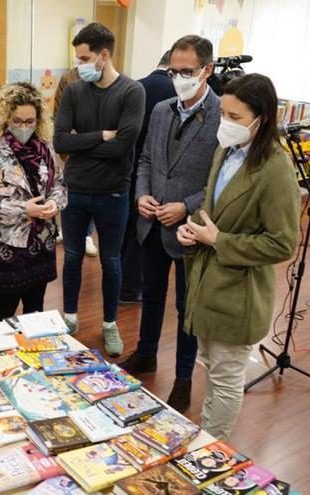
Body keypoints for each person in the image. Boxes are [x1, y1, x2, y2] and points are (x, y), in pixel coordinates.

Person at [177, 73, 300, 440]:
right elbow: (213, 206)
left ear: (261, 118)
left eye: (235, 117)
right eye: (223, 115)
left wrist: (219, 241)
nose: (225, 124)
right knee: (211, 367)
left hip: (239, 291)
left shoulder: (275, 169)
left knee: (226, 378)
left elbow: (282, 244)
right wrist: (193, 227)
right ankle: (206, 438)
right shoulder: (225, 150)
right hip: (207, 283)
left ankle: (212, 449)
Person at [119, 36, 220, 413]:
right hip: (151, 222)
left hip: (190, 229)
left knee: (186, 308)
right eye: (174, 71)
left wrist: (186, 207)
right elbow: (144, 159)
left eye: (188, 72)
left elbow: (219, 181)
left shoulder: (222, 116)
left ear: (206, 70)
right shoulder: (160, 109)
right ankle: (145, 354)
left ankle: (182, 378)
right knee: (152, 296)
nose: (179, 78)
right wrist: (141, 195)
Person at [53, 22, 145, 356]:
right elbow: (60, 139)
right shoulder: (75, 90)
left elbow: (123, 147)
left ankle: (109, 325)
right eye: (78, 58)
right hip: (75, 191)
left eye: (85, 57)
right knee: (73, 258)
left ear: (103, 56)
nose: (80, 65)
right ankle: (71, 319)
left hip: (113, 193)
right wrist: (102, 135)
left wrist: (82, 142)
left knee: (112, 261)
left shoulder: (132, 92)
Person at [0, 82, 66, 322]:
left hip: (42, 242)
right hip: (8, 244)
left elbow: (60, 186)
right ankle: (2, 357)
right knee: (5, 310)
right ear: (5, 118)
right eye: (17, 121)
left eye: (30, 122)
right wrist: (24, 209)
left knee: (36, 309)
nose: (24, 127)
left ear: (39, 119)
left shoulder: (45, 147)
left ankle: (32, 354)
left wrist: (54, 204)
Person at [119, 50, 179, 305]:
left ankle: (123, 285)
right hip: (162, 176)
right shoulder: (176, 95)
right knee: (146, 237)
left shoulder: (135, 87)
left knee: (129, 232)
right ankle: (134, 289)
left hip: (131, 172)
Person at [53, 66, 98, 258]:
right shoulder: (68, 78)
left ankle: (87, 235)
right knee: (68, 186)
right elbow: (58, 109)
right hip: (70, 142)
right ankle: (66, 229)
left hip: (95, 145)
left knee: (92, 188)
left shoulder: (101, 78)